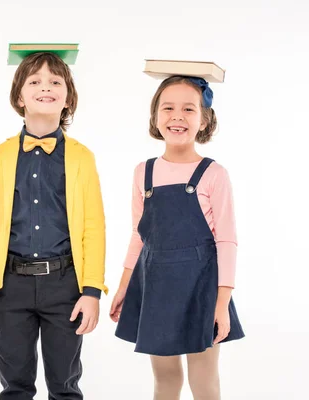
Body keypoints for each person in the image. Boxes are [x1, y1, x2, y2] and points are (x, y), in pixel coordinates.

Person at [0, 51, 107, 400]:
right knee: (15, 384)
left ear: (67, 96)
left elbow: (93, 226)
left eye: (55, 82)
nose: (45, 87)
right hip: (10, 285)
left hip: (65, 285)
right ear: (20, 96)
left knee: (65, 384)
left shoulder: (81, 156)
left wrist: (91, 290)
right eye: (34, 81)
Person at [111, 75, 244, 400]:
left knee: (204, 379)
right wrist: (124, 285)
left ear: (204, 118)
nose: (177, 116)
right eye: (168, 107)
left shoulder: (214, 174)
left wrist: (222, 303)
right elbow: (139, 236)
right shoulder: (144, 172)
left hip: (202, 289)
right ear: (156, 115)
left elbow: (227, 241)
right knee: (166, 378)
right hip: (157, 287)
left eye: (189, 108)